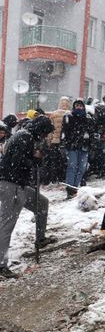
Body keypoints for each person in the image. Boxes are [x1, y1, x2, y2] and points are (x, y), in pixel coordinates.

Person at [0, 116, 54, 278]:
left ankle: (40, 238)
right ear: (40, 130)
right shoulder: (25, 137)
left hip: (19, 183)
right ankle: (1, 265)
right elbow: (17, 161)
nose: (45, 137)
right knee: (6, 224)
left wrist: (33, 158)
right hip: (11, 184)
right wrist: (34, 159)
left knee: (42, 203)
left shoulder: (24, 135)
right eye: (45, 133)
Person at [61, 99, 96, 198]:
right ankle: (70, 189)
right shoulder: (69, 117)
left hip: (84, 147)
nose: (79, 107)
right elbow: (64, 132)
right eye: (77, 106)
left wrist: (92, 146)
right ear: (74, 107)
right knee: (72, 167)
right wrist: (63, 145)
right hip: (72, 146)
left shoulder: (88, 118)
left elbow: (92, 133)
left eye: (80, 106)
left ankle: (75, 188)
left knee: (82, 168)